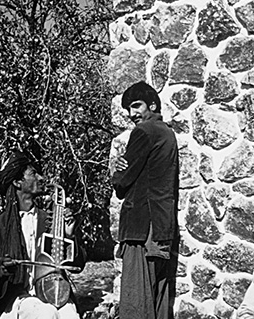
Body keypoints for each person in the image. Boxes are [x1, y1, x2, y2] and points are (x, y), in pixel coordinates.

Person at [0, 151, 86, 319]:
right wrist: (3, 271)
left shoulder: (50, 221)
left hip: (50, 293)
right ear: (18, 182)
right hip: (13, 299)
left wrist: (68, 236)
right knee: (44, 314)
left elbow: (77, 265)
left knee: (70, 315)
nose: (41, 178)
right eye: (33, 173)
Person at [112, 81, 179, 319]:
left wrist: (117, 170)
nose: (132, 114)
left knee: (136, 301)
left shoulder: (144, 132)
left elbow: (122, 182)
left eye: (136, 106)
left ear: (152, 104)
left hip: (141, 229)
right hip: (161, 229)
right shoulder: (168, 133)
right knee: (158, 299)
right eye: (129, 109)